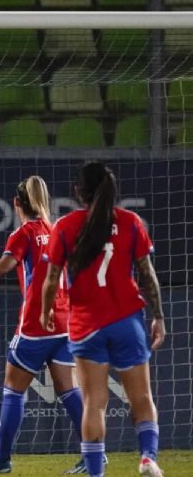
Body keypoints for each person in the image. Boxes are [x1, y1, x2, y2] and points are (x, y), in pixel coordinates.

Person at [41, 161, 166, 477]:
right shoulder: (130, 222)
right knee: (141, 397)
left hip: (86, 326)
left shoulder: (66, 226)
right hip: (127, 321)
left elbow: (51, 278)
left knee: (94, 403)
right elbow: (147, 274)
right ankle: (148, 458)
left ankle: (96, 473)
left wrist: (45, 312)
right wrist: (159, 316)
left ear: (78, 192)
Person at [0, 176, 90, 474]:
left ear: (16, 203)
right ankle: (93, 455)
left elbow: (3, 267)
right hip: (64, 321)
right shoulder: (57, 229)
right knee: (68, 390)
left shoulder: (23, 233)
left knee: (13, 390)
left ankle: (1, 459)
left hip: (36, 324)